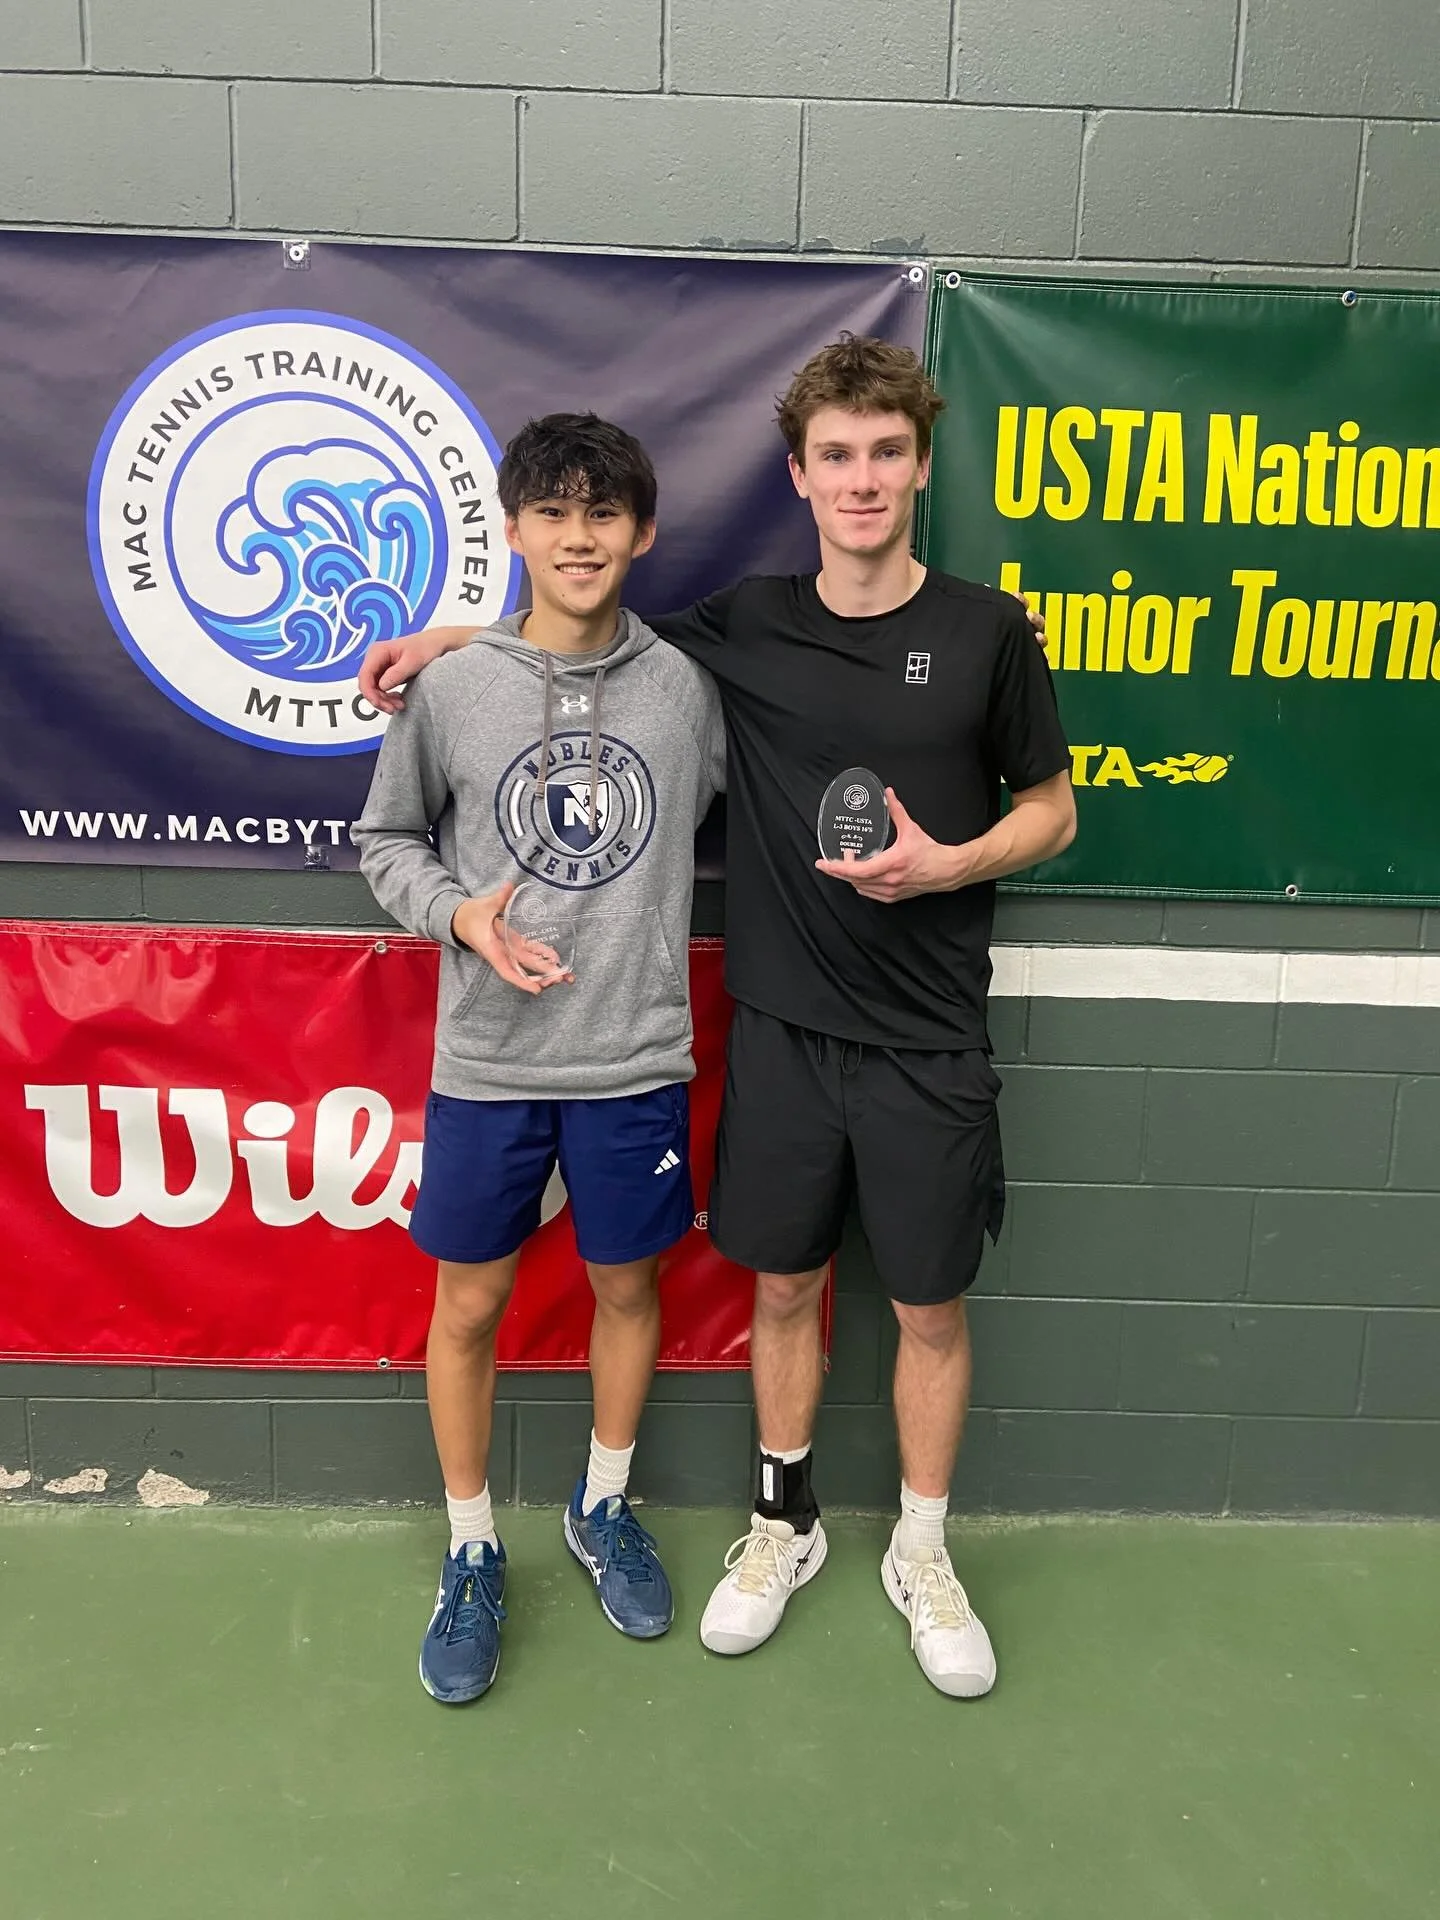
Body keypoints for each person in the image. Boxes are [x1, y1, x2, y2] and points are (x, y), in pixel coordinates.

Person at [360, 337, 1073, 1699]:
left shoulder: (977, 633)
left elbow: (1055, 807)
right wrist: (452, 649)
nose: (861, 480)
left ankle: (913, 1548)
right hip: (755, 1038)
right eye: (835, 456)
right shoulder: (739, 627)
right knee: (774, 1286)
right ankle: (762, 1525)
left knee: (921, 1306)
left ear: (919, 461)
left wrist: (948, 862)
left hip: (911, 1037)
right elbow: (558, 637)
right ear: (798, 476)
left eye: (885, 452)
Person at [353, 413, 725, 1704]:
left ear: (643, 533)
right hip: (491, 1064)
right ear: (513, 529)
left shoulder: (688, 690)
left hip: (633, 1061)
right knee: (466, 1307)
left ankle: (600, 1506)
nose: (581, 536)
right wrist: (459, 916)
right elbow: (387, 839)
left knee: (629, 1291)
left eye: (605, 513)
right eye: (554, 513)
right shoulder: (455, 690)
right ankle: (470, 1549)